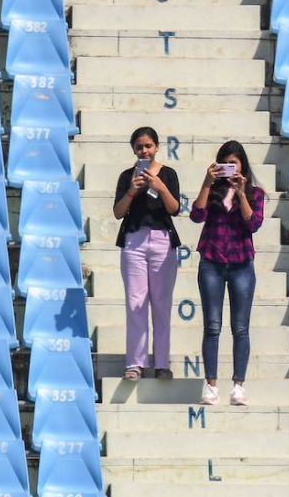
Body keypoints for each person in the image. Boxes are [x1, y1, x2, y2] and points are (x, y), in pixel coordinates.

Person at [190, 140, 265, 405]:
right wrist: (207, 182)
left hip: (241, 263)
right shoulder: (213, 190)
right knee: (212, 326)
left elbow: (254, 223)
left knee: (240, 328)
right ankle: (211, 386)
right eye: (226, 164)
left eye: (234, 163)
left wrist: (241, 193)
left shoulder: (255, 193)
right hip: (212, 260)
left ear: (243, 165)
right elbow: (196, 216)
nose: (230, 168)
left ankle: (238, 386)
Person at [113, 126, 182, 381]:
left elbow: (174, 208)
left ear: (156, 147)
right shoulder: (127, 176)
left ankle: (162, 363)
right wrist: (132, 189)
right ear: (133, 149)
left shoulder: (168, 174)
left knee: (161, 303)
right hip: (134, 241)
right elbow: (118, 212)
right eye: (139, 147)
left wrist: (160, 186)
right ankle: (135, 363)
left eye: (148, 146)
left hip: (162, 240)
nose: (144, 151)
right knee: (136, 303)